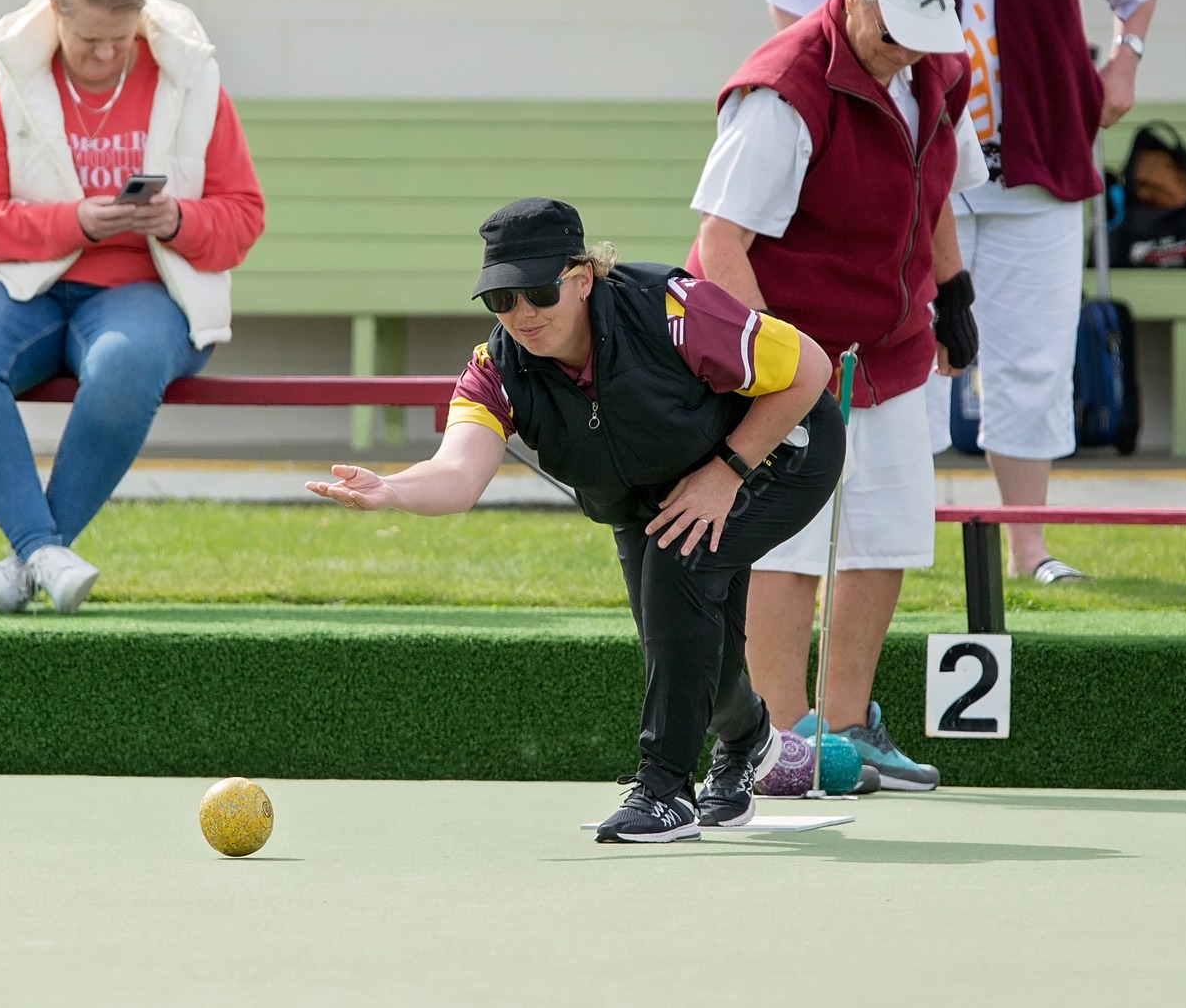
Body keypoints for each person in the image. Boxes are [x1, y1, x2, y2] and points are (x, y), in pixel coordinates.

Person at [767, 0, 1162, 583]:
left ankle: (1029, 547)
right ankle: (919, 540)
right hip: (916, 171)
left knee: (1031, 355)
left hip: (1042, 164)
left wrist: (1123, 65)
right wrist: (854, 94)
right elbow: (794, 2)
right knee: (920, 348)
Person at [309, 198, 842, 842]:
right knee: (678, 641)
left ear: (583, 276)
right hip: (653, 485)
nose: (522, 315)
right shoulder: (496, 368)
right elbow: (457, 473)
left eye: (538, 291)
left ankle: (663, 792)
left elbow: (812, 367)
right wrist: (392, 490)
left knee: (681, 570)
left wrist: (727, 470)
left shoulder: (674, 310)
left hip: (780, 451)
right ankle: (749, 740)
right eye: (502, 300)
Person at [693, 0, 982, 790]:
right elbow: (719, 246)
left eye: (922, 40)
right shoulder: (783, 91)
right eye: (892, 35)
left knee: (883, 537)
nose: (905, 56)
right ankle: (784, 742)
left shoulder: (932, 68)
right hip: (792, 351)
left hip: (889, 351)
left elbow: (934, 184)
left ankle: (850, 728)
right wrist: (780, 368)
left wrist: (954, 292)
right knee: (785, 548)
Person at [0, 0, 265, 615]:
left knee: (125, 364)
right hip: (27, 285)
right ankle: (43, 550)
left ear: (141, 22)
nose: (104, 55)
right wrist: (75, 220)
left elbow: (243, 216)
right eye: (87, 38)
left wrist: (177, 217)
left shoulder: (191, 80)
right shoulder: (3, 83)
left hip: (145, 288)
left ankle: (26, 559)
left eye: (121, 39)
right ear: (56, 13)